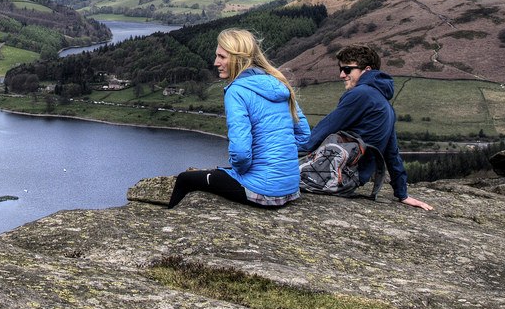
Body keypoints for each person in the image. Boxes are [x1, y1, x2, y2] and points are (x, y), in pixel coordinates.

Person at [160, 27, 311, 208]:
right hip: (290, 188)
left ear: (239, 58)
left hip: (262, 191)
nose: (216, 62)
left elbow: (240, 154)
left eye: (222, 57)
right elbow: (304, 136)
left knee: (185, 179)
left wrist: (243, 171)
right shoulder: (279, 83)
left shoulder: (237, 91)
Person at [300, 44, 432, 210]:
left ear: (367, 70)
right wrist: (402, 193)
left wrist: (287, 156)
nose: (342, 75)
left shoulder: (361, 94)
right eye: (341, 69)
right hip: (350, 181)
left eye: (347, 69)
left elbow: (324, 129)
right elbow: (392, 153)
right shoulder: (386, 105)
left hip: (332, 173)